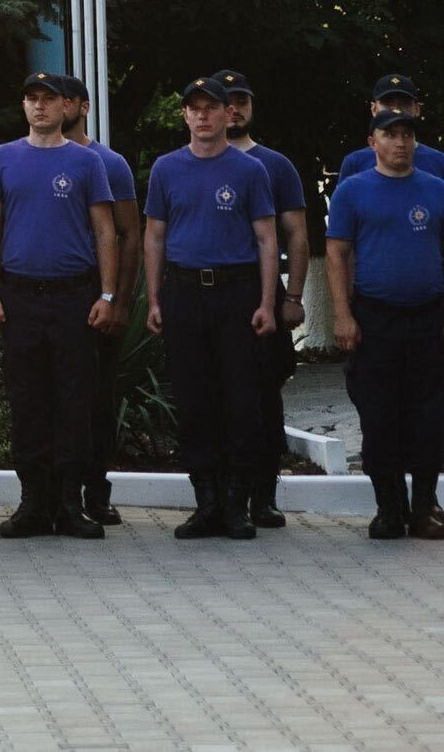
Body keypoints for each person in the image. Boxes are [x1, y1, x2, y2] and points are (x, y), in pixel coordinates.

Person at [0, 73, 119, 539]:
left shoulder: (86, 161)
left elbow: (104, 231)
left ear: (66, 107)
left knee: (75, 401)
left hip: (73, 296)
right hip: (19, 296)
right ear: (24, 106)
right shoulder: (3, 157)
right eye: (32, 99)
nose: (40, 107)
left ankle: (70, 503)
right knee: (27, 400)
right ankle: (33, 502)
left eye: (49, 100)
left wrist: (109, 295)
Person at [140, 76, 281, 541]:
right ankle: (206, 503)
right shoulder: (166, 168)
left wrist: (267, 302)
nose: (202, 115)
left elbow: (266, 237)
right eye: (194, 108)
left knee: (241, 400)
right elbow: (155, 235)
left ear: (227, 114)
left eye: (211, 108)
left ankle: (237, 505)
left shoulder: (248, 171)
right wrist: (155, 298)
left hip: (236, 292)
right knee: (194, 400)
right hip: (184, 293)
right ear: (184, 115)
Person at [324, 109, 444, 541]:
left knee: (429, 417)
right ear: (373, 142)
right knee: (378, 415)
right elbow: (336, 254)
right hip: (374, 319)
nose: (400, 143)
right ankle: (388, 507)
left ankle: (424, 507)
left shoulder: (437, 190)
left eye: (407, 135)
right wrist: (344, 315)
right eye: (390, 135)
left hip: (428, 318)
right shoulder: (352, 191)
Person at [219, 70, 308, 528]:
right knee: (215, 398)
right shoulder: (191, 161)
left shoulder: (275, 165)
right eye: (226, 100)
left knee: (263, 399)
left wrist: (291, 296)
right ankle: (218, 497)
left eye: (241, 99)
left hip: (262, 295)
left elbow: (295, 234)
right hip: (209, 298)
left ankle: (264, 495)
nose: (233, 108)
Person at [51, 75, 140, 524]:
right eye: (50, 99)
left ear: (83, 107)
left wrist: (120, 301)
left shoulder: (109, 163)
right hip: (48, 297)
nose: (57, 107)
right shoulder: (25, 155)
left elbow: (128, 236)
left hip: (94, 294)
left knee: (95, 399)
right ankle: (51, 495)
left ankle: (96, 491)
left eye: (66, 100)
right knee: (50, 399)